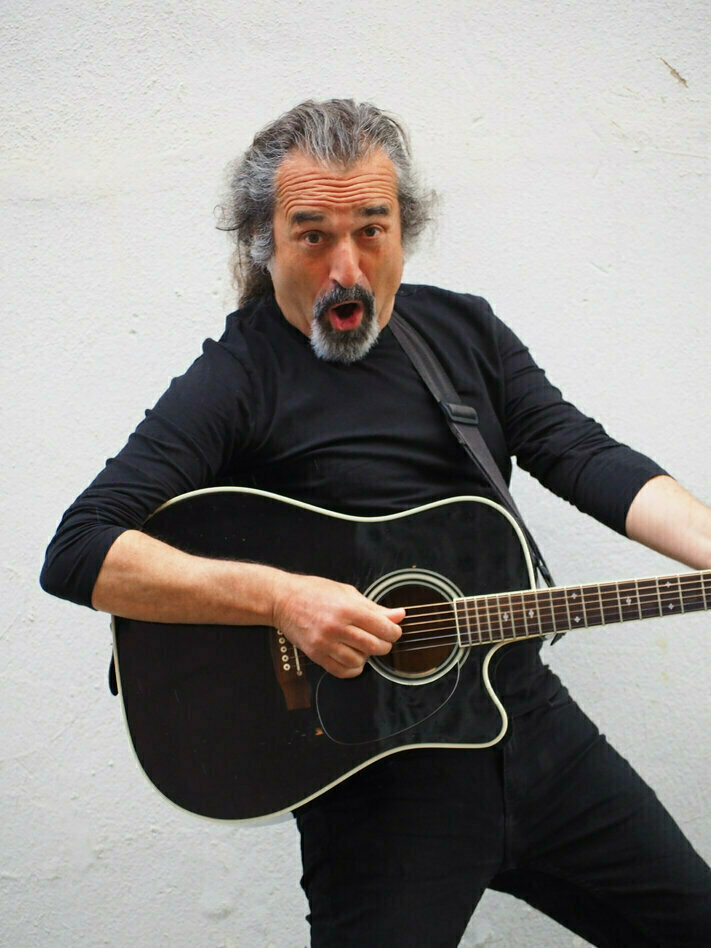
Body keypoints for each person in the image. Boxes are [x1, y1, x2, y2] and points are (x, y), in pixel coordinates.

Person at [41, 99, 711, 946]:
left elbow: (581, 454)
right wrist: (282, 598)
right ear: (264, 242)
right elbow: (80, 549)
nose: (346, 269)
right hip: (375, 788)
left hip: (532, 731)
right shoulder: (238, 378)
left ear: (403, 229)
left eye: (370, 230)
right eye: (312, 236)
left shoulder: (461, 333)